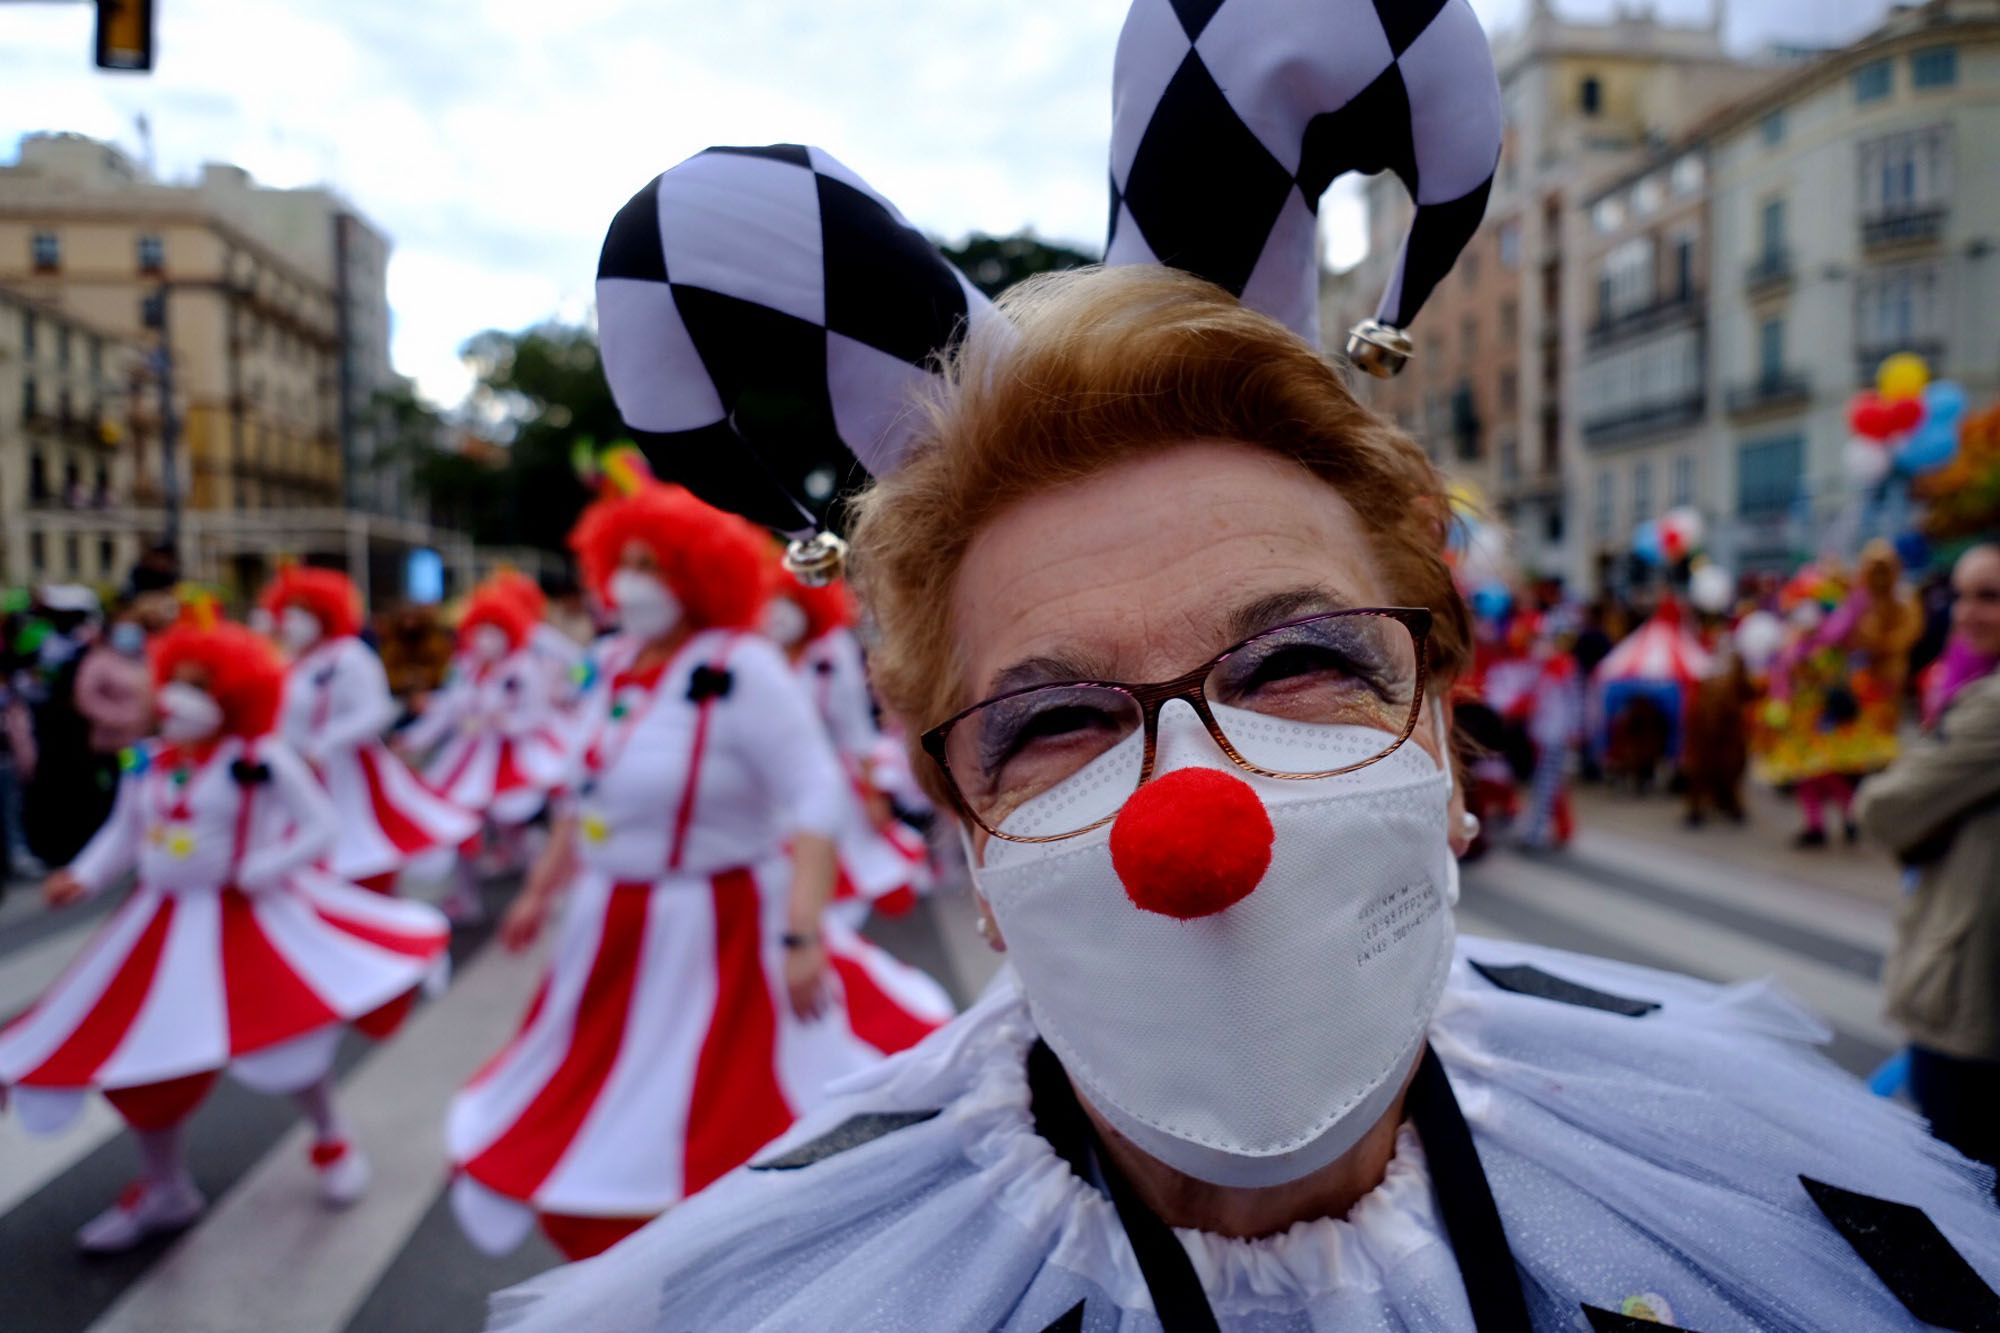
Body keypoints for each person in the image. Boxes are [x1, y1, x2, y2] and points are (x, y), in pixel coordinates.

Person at [498, 266, 2000, 1331]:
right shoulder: (779, 1299)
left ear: (1442, 733)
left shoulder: (1790, 1211)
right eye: (1058, 716)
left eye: (1296, 661)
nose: (1198, 819)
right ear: (969, 839)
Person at [447, 475, 952, 1263]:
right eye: (627, 562)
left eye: (654, 565)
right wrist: (543, 890)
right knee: (589, 1084)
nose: (632, 583)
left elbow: (815, 794)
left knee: (724, 1102)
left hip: (717, 921)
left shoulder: (742, 666)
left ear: (696, 573)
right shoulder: (610, 660)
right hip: (608, 920)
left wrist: (801, 933)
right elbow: (585, 791)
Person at [0, 615, 451, 1251]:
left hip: (250, 920)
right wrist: (83, 875)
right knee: (144, 1059)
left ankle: (330, 1138)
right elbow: (124, 835)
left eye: (198, 687)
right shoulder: (146, 761)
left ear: (233, 695)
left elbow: (320, 828)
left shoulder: (261, 758)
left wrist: (264, 866)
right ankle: (164, 1189)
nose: (177, 700)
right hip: (157, 923)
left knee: (287, 1037)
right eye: (173, 684)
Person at [1856, 542, 2000, 1197]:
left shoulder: (1991, 706)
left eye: (1989, 596)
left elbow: (1885, 808)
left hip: (1971, 991)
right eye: (1962, 594)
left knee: (1964, 1192)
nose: (1967, 612)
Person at [263, 565, 476, 894]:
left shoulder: (349, 656)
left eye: (302, 611)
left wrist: (325, 742)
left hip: (347, 776)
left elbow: (374, 712)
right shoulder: (289, 662)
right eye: (289, 611)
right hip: (298, 777)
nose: (291, 620)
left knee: (358, 850)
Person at [763, 568, 930, 917]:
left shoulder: (829, 651)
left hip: (833, 783)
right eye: (772, 600)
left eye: (789, 601)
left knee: (849, 875)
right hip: (779, 792)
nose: (778, 611)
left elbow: (856, 731)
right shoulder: (761, 656)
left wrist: (873, 794)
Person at [400, 580, 568, 919]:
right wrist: (413, 739)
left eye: (493, 630)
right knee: (460, 826)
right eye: (480, 630)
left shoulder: (524, 666)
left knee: (515, 823)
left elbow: (536, 714)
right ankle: (466, 898)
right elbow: (447, 710)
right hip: (468, 759)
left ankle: (541, 890)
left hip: (513, 756)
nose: (485, 638)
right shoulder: (465, 668)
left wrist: (502, 721)